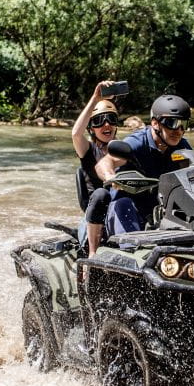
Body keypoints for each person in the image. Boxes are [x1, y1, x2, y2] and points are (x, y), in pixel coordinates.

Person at [95, 94, 193, 236]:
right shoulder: (137, 143)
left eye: (183, 124)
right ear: (155, 123)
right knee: (123, 204)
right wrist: (110, 176)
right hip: (124, 212)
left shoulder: (182, 147)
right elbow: (105, 163)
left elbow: (190, 173)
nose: (178, 130)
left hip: (156, 213)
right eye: (172, 123)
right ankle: (130, 250)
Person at [72, 81, 120, 255]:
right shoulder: (88, 149)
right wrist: (95, 98)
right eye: (99, 121)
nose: (106, 125)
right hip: (97, 209)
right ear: (91, 128)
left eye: (111, 119)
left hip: (120, 204)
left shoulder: (124, 148)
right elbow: (76, 134)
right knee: (101, 194)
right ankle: (93, 253)